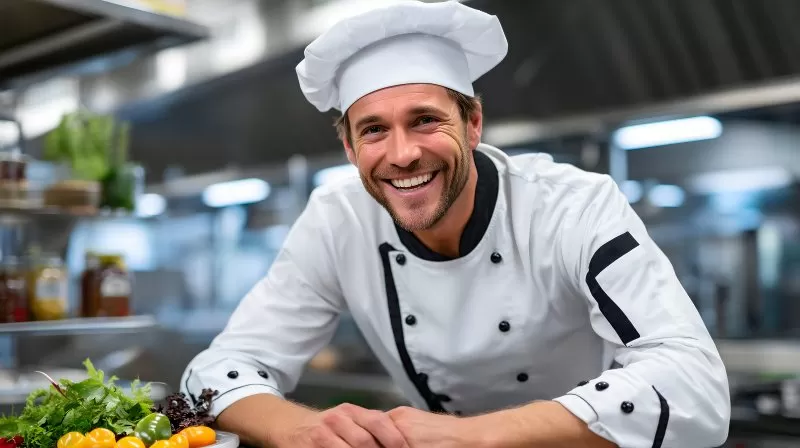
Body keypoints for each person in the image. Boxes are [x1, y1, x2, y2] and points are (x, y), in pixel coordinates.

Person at [181, 2, 731, 447]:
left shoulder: (574, 206)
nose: (401, 155)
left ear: (472, 123)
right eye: (373, 131)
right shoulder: (336, 220)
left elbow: (693, 384)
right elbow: (217, 369)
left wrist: (479, 435)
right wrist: (298, 427)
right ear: (348, 147)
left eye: (425, 120)